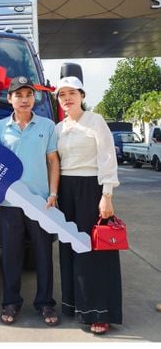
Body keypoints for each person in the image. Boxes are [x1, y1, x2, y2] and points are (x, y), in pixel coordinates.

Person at [0, 76, 60, 326]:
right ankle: (11, 302)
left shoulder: (47, 126)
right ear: (10, 99)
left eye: (29, 95)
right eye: (19, 95)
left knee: (43, 254)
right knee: (11, 255)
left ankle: (45, 303)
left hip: (40, 202)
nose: (24, 100)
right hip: (10, 202)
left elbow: (53, 161)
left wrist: (53, 194)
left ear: (34, 99)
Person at [55, 76, 122, 335]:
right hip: (66, 190)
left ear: (82, 95)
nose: (67, 98)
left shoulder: (96, 121)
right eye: (62, 95)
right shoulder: (58, 128)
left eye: (72, 93)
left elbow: (107, 157)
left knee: (94, 249)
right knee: (70, 248)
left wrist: (107, 195)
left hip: (90, 188)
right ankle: (76, 306)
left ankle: (100, 311)